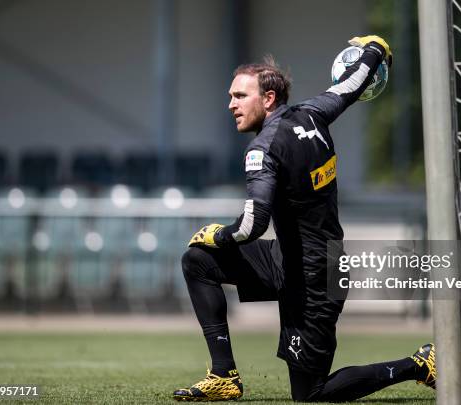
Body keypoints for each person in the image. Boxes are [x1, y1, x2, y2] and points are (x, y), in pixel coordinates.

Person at [173, 35, 436, 402]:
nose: (230, 104)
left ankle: (418, 364)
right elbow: (352, 83)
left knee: (311, 394)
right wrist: (377, 48)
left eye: (239, 96)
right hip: (291, 259)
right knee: (198, 262)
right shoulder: (314, 111)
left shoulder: (263, 149)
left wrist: (219, 235)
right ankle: (223, 376)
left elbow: (253, 225)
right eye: (231, 96)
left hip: (315, 276)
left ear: (268, 99)